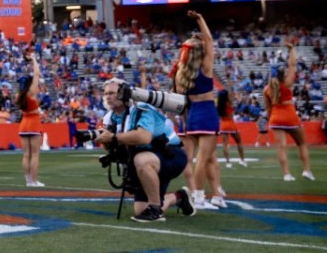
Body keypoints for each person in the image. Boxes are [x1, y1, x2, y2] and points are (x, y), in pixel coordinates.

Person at [94, 79, 196, 222]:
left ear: (124, 94)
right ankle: (179, 197)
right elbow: (114, 144)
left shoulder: (142, 109)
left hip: (170, 155)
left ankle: (155, 210)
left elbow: (144, 137)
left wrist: (113, 136)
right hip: (150, 159)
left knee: (141, 160)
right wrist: (104, 140)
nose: (108, 96)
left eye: (112, 92)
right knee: (140, 210)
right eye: (105, 93)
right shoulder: (109, 117)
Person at [172, 11, 223, 210]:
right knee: (203, 158)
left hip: (192, 116)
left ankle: (216, 195)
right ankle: (199, 197)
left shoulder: (182, 72)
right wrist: (201, 19)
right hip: (207, 113)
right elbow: (210, 40)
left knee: (208, 158)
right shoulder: (205, 68)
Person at [265, 40, 315, 182]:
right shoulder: (287, 83)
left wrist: (271, 120)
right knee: (301, 144)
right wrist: (291, 49)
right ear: (282, 74)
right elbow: (292, 64)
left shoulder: (266, 89)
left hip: (275, 118)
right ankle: (306, 170)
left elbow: (268, 109)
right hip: (290, 116)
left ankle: (286, 174)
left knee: (281, 148)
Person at [17, 52, 44, 187]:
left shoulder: (19, 95)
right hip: (33, 124)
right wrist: (33, 59)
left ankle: (28, 180)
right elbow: (37, 74)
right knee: (35, 154)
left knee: (26, 155)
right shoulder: (32, 91)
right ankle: (34, 181)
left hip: (23, 124)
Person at [216, 88, 246, 168]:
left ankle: (228, 162)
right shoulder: (229, 102)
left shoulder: (219, 105)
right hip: (231, 123)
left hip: (223, 124)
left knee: (225, 144)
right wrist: (229, 79)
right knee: (239, 141)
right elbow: (232, 91)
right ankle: (242, 160)